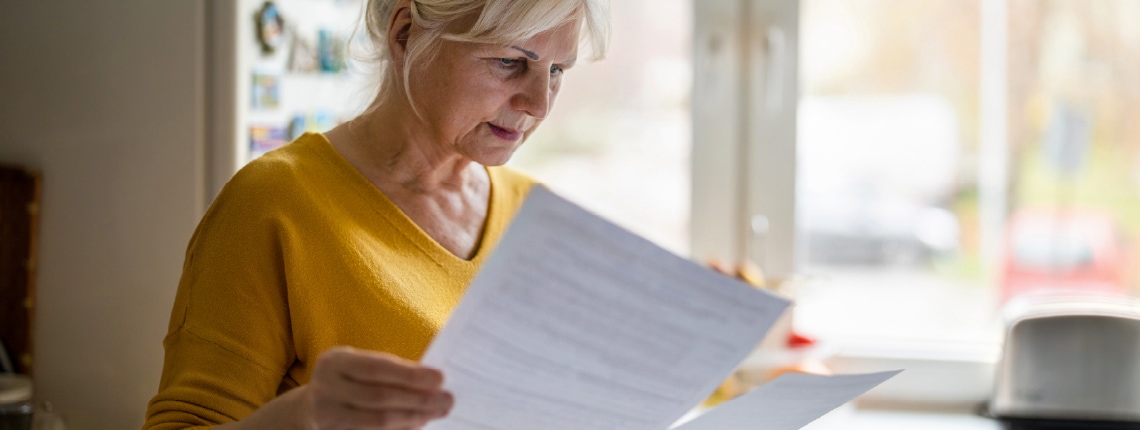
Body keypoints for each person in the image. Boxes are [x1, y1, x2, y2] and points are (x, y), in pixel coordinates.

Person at [142, 0, 609, 428]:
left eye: (556, 71)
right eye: (510, 62)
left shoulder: (538, 215)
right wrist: (305, 417)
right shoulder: (273, 204)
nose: (539, 103)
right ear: (405, 34)